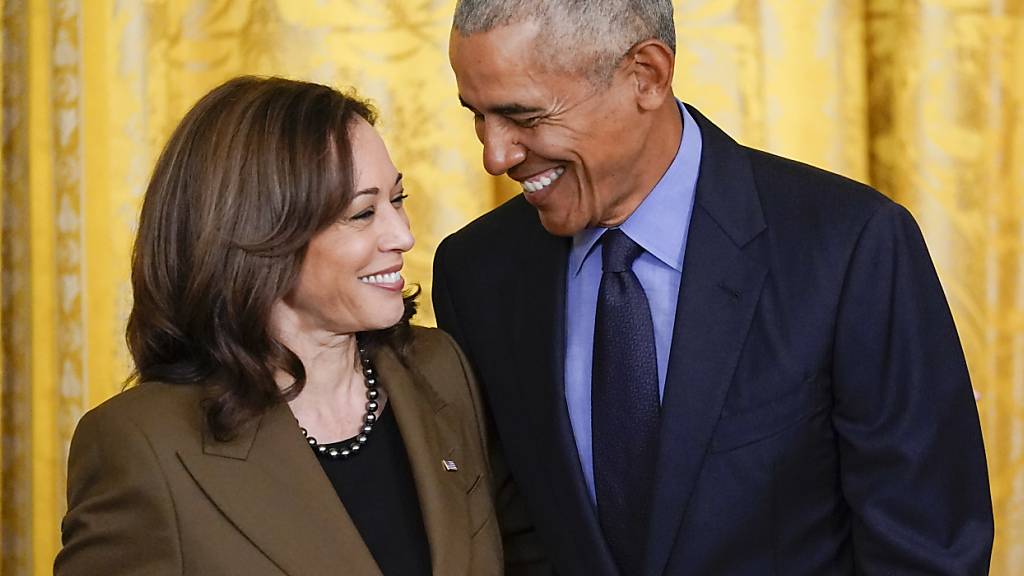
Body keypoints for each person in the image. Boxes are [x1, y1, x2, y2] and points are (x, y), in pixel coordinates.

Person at [432, 1, 994, 575]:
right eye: (477, 116)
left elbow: (926, 547)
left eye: (523, 116)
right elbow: (510, 532)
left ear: (646, 76)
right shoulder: (477, 272)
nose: (495, 156)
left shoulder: (849, 246)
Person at [55, 76, 501, 576]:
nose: (402, 235)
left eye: (397, 200)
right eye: (362, 213)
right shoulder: (140, 444)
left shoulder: (443, 368)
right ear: (258, 236)